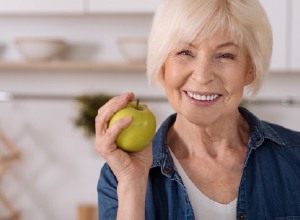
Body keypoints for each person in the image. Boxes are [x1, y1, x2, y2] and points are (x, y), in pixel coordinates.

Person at [95, 0, 300, 219]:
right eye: (185, 52)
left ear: (250, 69)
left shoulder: (295, 157)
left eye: (225, 55)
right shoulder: (120, 175)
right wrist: (132, 184)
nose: (202, 76)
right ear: (163, 65)